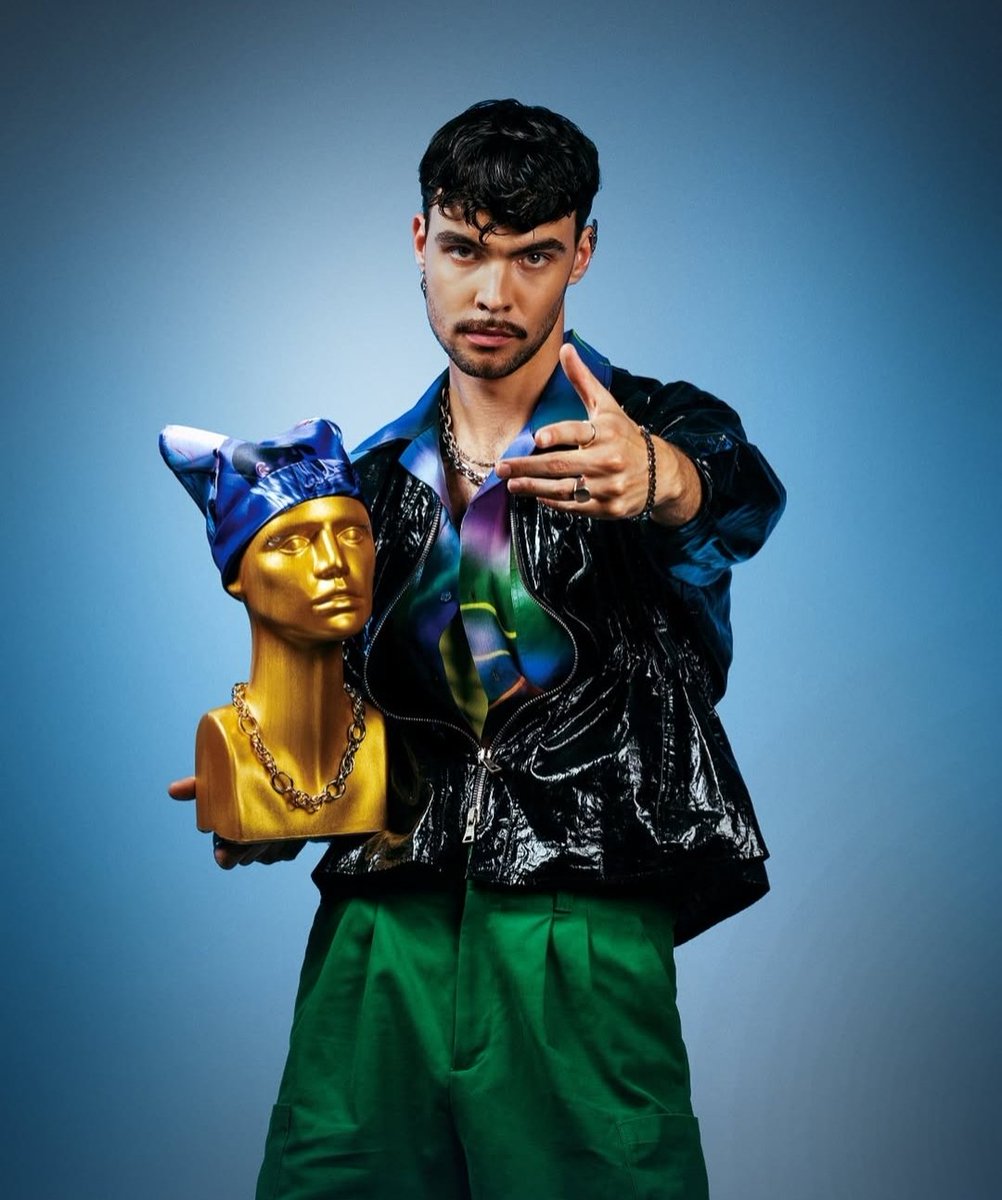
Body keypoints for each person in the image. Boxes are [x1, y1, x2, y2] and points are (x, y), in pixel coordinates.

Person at [171, 98, 785, 1199]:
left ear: (581, 253)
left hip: (577, 914)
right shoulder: (365, 485)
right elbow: (342, 707)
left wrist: (661, 477)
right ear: (421, 242)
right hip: (380, 926)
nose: (493, 293)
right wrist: (278, 791)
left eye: (532, 255)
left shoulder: (645, 427)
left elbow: (738, 499)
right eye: (464, 249)